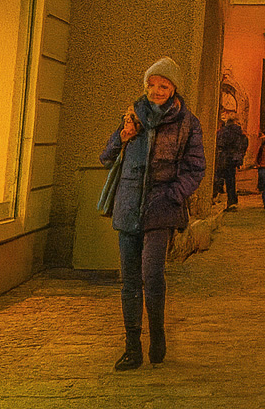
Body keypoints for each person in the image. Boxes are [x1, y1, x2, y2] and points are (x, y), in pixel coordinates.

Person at [99, 57, 205, 371]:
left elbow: (195, 168)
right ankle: (132, 347)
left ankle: (157, 335)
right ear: (146, 85)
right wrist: (122, 137)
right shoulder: (131, 115)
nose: (157, 90)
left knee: (152, 275)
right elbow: (106, 158)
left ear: (173, 89)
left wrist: (173, 193)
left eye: (164, 85)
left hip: (161, 207)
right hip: (129, 204)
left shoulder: (187, 122)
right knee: (129, 280)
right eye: (153, 84)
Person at [213, 113, 247, 211]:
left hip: (223, 157)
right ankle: (232, 202)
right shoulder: (240, 133)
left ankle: (214, 198)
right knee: (231, 181)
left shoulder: (222, 132)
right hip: (233, 159)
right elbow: (243, 144)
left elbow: (219, 143)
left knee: (218, 178)